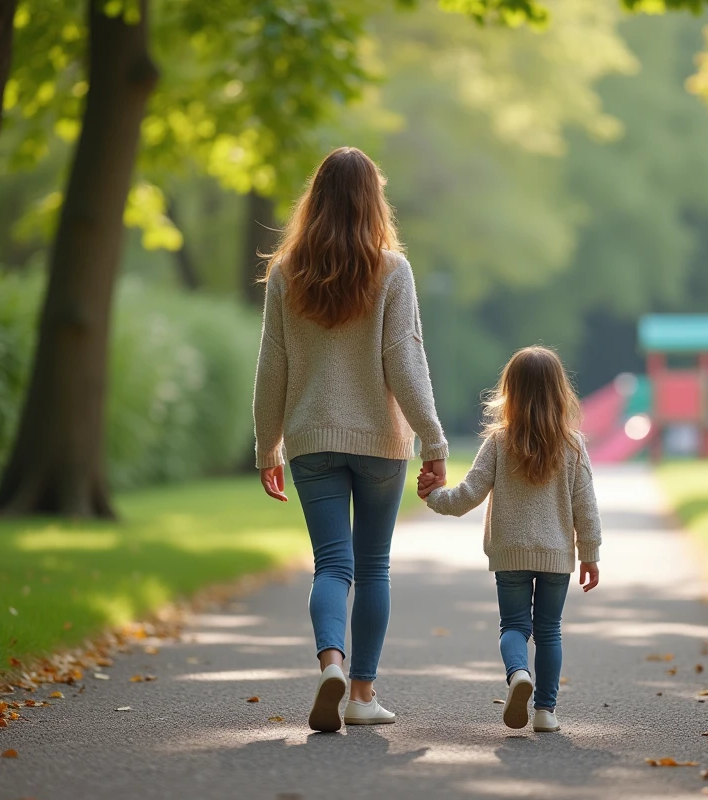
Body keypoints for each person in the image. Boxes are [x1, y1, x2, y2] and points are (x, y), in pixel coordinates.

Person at [252, 147, 449, 733]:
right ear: (374, 199)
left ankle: (330, 664)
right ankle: (361, 695)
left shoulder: (287, 273)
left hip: (311, 439)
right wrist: (434, 441)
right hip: (380, 442)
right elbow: (404, 361)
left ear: (314, 201)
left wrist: (268, 449)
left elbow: (272, 367)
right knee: (374, 566)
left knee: (331, 565)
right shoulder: (392, 269)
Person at [417, 346, 601, 733]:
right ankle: (546, 711)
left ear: (510, 392)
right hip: (556, 555)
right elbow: (586, 506)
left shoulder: (499, 442)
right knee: (549, 630)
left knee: (514, 626)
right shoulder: (572, 445)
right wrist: (590, 554)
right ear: (559, 392)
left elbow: (467, 494)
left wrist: (433, 496)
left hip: (510, 553)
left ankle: (519, 674)